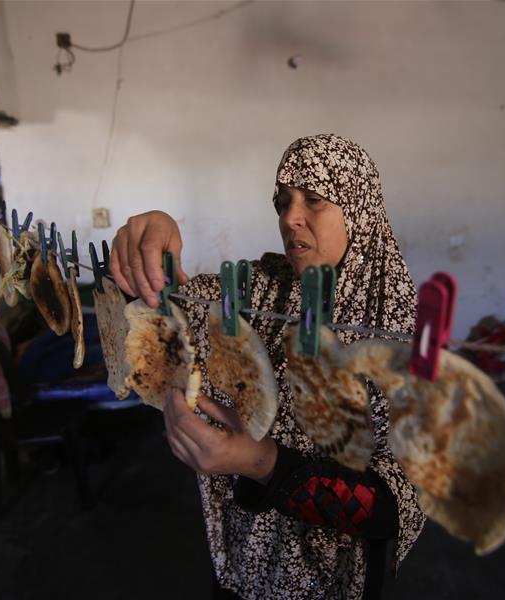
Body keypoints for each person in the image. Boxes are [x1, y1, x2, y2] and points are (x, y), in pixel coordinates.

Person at [110, 134, 425, 599]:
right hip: (242, 562)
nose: (290, 218)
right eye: (282, 202)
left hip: (326, 583)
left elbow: (391, 503)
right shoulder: (261, 289)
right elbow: (164, 316)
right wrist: (148, 247)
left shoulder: (399, 327)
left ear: (360, 208)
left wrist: (260, 462)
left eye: (313, 199)